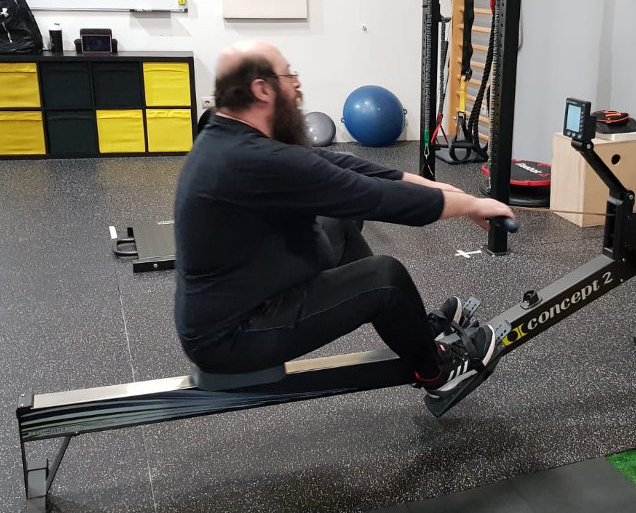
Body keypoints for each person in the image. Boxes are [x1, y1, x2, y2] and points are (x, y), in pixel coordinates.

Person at [174, 40, 515, 401]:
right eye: (290, 76)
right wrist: (473, 208)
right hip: (232, 338)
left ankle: (414, 329)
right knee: (386, 278)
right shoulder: (251, 158)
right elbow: (373, 197)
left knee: (337, 226)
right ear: (262, 89)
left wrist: (440, 187)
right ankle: (437, 371)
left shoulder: (232, 138)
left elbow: (347, 168)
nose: (298, 85)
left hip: (246, 294)